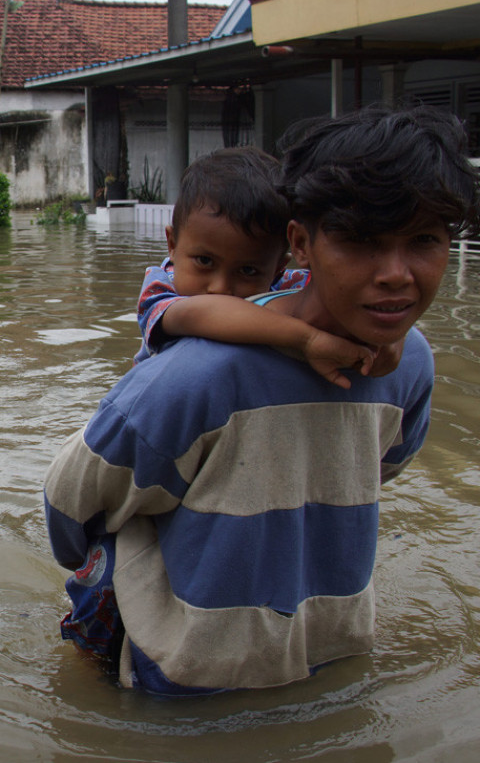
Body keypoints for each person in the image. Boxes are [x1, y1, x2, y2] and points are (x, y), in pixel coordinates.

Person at [44, 106, 480, 698]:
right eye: (361, 242)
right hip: (185, 685)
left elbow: (374, 471)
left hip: (326, 655)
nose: (396, 276)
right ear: (300, 243)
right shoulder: (194, 376)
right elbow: (70, 504)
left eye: (424, 241)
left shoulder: (410, 362)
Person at [134, 145, 393, 389]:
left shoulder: (288, 284)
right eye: (204, 261)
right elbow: (200, 313)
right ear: (172, 244)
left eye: (247, 271)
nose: (220, 288)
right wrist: (307, 339)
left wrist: (388, 338)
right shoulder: (159, 288)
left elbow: (343, 295)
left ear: (280, 266)